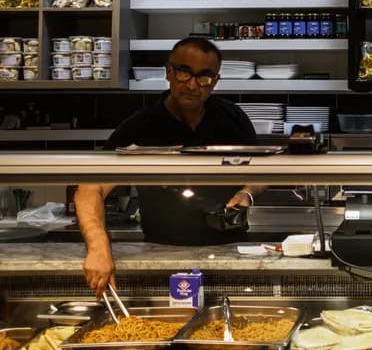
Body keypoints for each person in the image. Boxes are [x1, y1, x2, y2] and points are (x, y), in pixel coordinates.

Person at [75, 37, 266, 296]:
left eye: (204, 77)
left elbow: (261, 170)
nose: (192, 85)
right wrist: (98, 247)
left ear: (215, 81)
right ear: (169, 72)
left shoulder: (232, 118)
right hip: (161, 251)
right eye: (184, 73)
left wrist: (248, 192)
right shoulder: (140, 125)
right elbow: (90, 186)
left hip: (229, 250)